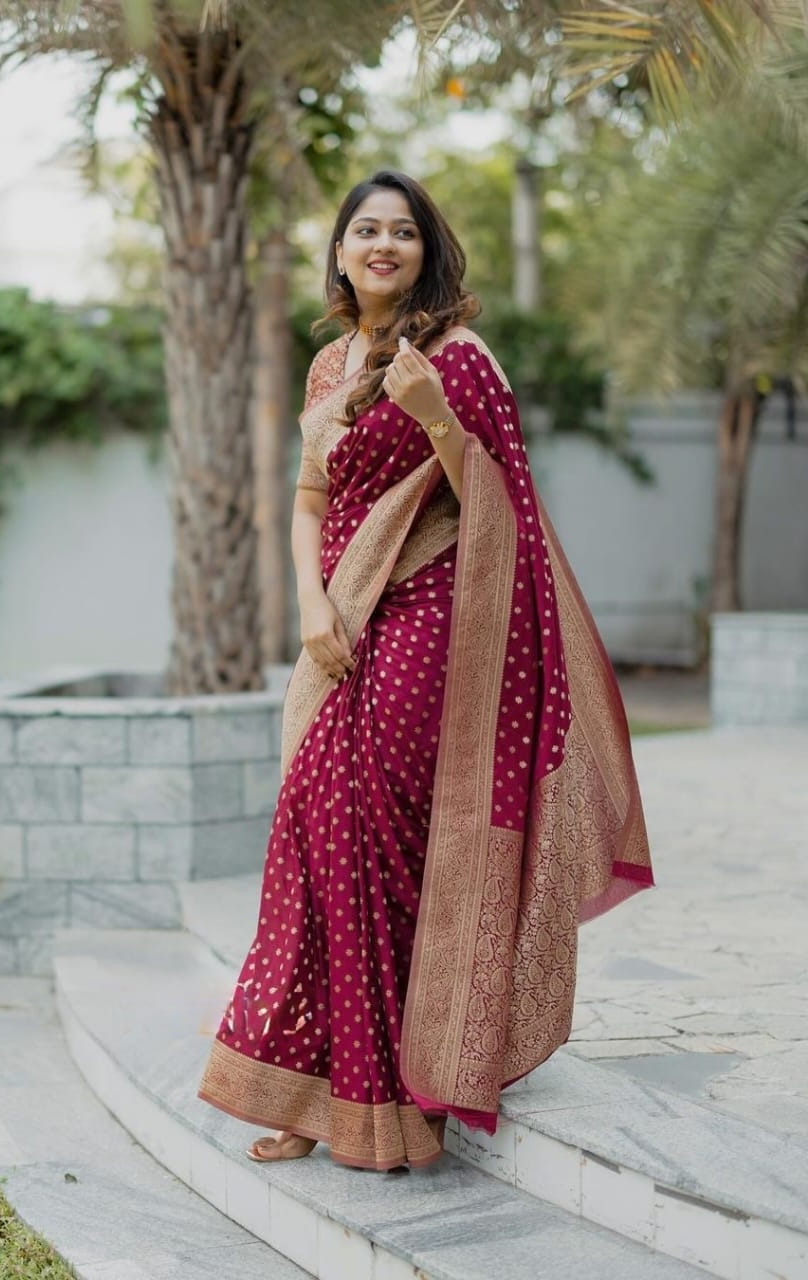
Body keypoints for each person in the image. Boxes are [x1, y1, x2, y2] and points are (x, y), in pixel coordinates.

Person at [197, 169, 654, 1171]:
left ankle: (409, 1089)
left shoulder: (460, 358)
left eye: (403, 231)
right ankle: (314, 1089)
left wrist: (435, 413)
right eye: (366, 228)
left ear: (426, 252)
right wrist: (313, 604)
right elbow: (309, 500)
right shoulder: (329, 366)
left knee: (389, 838)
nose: (383, 245)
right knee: (318, 833)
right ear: (341, 250)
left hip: (433, 616)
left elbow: (503, 504)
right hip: (343, 620)